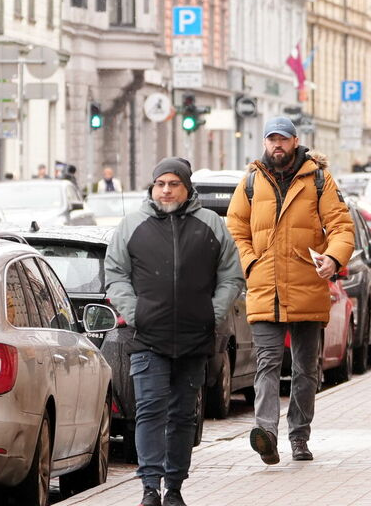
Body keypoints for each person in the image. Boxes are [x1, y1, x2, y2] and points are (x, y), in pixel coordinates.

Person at [104, 158, 244, 506]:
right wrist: (136, 313)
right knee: (150, 410)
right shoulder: (132, 225)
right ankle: (150, 487)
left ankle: (175, 487)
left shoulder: (210, 224)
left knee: (184, 414)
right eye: (160, 183)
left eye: (173, 184)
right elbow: (115, 273)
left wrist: (211, 313)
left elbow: (232, 275)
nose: (166, 190)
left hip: (196, 339)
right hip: (148, 338)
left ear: (187, 187)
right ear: (152, 187)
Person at [226, 116, 354, 466]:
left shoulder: (318, 179)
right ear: (265, 143)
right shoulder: (251, 181)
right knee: (266, 363)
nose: (276, 145)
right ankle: (266, 433)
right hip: (265, 287)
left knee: (305, 369)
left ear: (296, 141)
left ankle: (299, 435)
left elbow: (342, 226)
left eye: (282, 139)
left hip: (307, 286)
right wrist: (250, 263)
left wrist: (332, 258)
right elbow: (235, 228)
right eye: (271, 140)